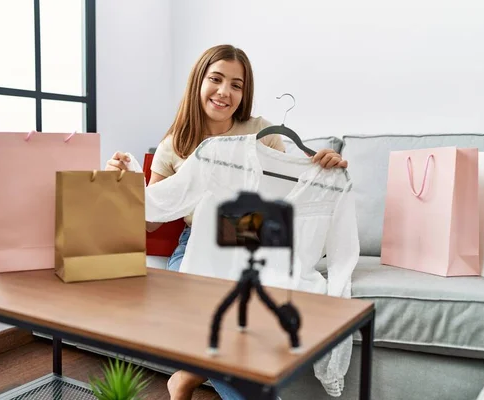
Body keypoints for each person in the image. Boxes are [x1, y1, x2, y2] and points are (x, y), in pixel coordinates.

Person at [105, 44, 348, 400]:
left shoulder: (261, 130)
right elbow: (151, 220)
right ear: (198, 82)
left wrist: (320, 165)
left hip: (251, 236)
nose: (225, 92)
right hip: (197, 242)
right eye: (216, 79)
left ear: (244, 93)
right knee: (220, 307)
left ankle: (187, 375)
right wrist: (126, 185)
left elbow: (284, 188)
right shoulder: (174, 145)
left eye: (236, 84)